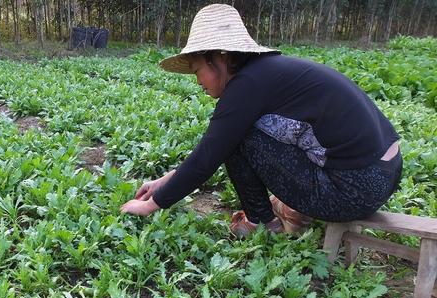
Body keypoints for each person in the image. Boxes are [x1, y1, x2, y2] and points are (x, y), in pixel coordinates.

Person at [119, 3, 402, 237]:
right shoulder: (266, 75)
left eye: (196, 71)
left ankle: (261, 223)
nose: (198, 82)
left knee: (239, 140)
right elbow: (211, 149)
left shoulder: (247, 86)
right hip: (380, 177)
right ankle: (287, 211)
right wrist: (165, 182)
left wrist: (151, 205)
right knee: (238, 136)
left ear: (218, 57)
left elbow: (209, 156)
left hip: (354, 190)